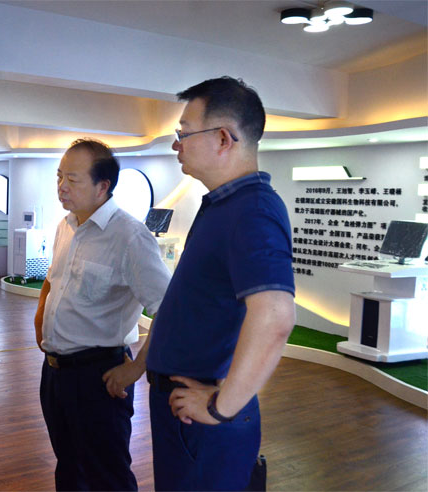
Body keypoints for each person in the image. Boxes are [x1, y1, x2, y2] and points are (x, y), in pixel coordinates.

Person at [143, 76, 296, 491]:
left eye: (184, 134)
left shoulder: (253, 210)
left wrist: (220, 407)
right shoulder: (225, 205)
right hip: (183, 406)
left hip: (203, 415)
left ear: (223, 138)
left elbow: (275, 315)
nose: (176, 145)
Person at [34, 138, 171, 491]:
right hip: (55, 374)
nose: (62, 187)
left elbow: (168, 309)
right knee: (68, 468)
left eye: (73, 179)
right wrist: (40, 318)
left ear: (102, 186)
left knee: (107, 477)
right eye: (59, 176)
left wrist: (135, 369)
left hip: (99, 377)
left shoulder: (130, 237)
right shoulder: (66, 225)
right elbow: (53, 279)